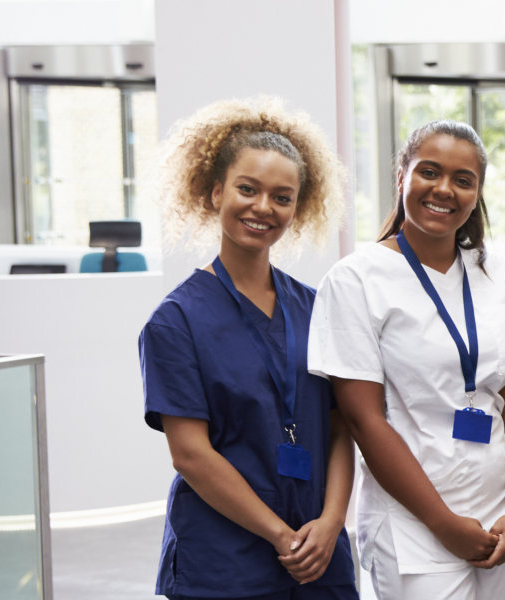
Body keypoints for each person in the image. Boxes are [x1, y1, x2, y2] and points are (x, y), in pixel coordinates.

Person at [307, 120, 505, 600]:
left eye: (463, 179)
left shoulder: (496, 273)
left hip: (501, 512)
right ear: (401, 177)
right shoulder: (357, 278)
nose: (444, 190)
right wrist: (443, 522)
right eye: (429, 172)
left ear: (477, 192)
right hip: (412, 520)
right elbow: (362, 419)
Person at [140, 97, 356, 600]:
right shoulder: (175, 322)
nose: (263, 207)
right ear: (215, 192)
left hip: (319, 553)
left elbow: (342, 427)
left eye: (282, 197)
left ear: (297, 208)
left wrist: (331, 522)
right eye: (247, 189)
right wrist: (281, 535)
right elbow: (191, 455)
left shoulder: (316, 307)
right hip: (225, 562)